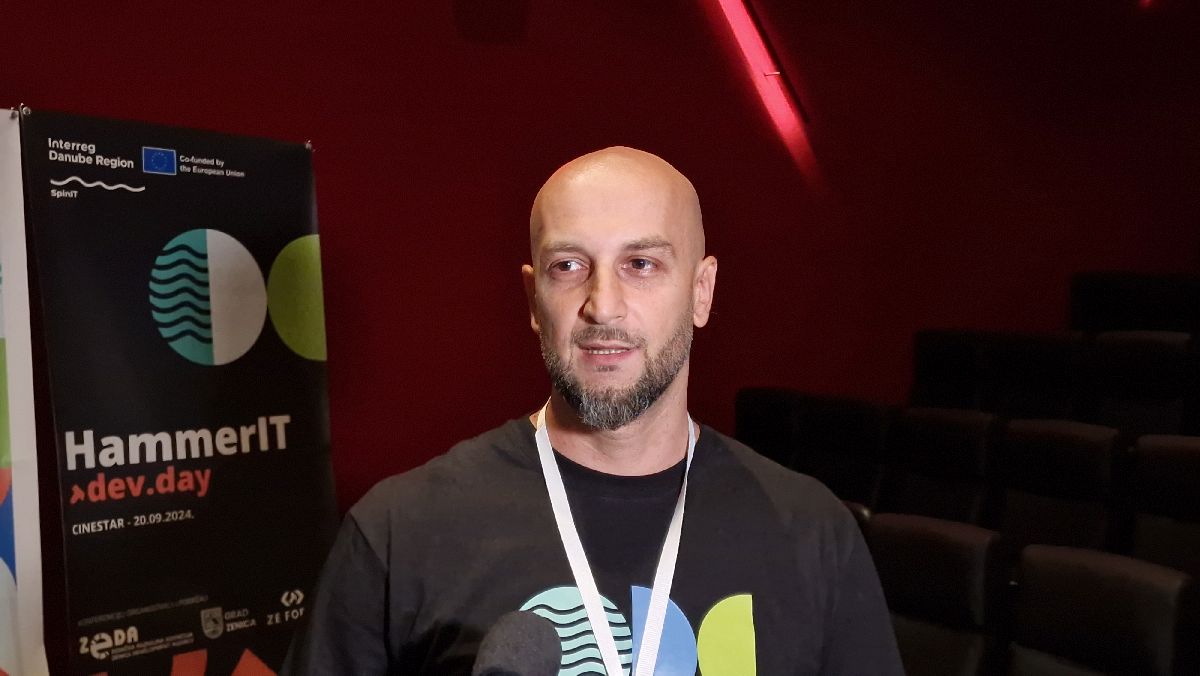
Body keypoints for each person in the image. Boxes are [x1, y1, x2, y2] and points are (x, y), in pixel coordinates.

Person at [284, 147, 902, 674]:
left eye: (641, 264)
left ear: (701, 291)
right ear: (534, 299)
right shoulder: (400, 532)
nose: (603, 305)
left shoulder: (813, 531)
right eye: (569, 266)